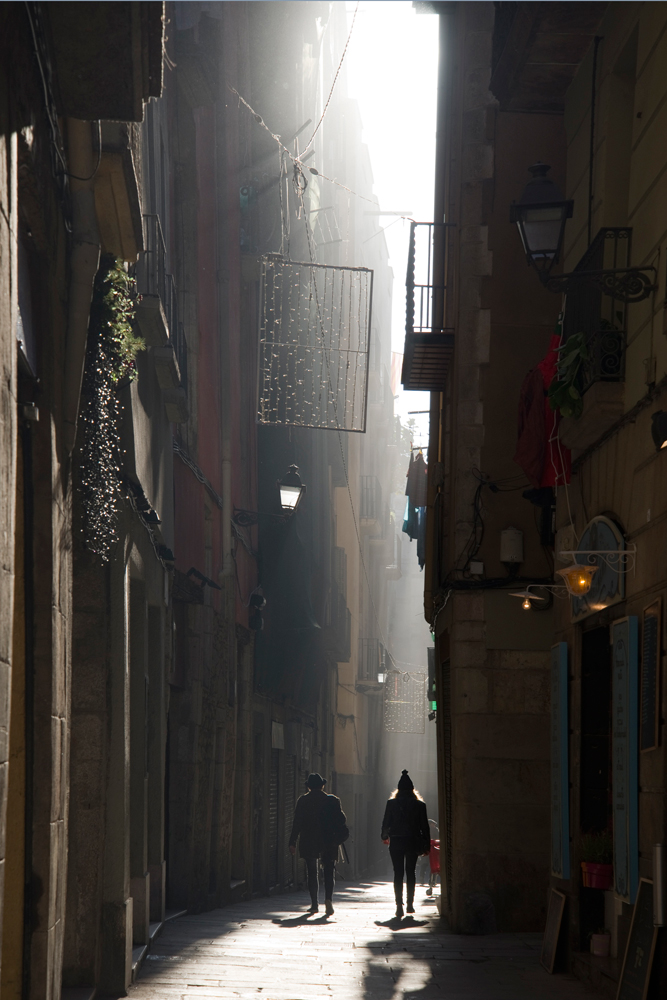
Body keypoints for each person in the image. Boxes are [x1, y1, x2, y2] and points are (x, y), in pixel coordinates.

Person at [289, 772, 347, 917]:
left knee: (312, 872)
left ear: (308, 787)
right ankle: (328, 900)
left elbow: (297, 822)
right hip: (329, 840)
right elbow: (341, 819)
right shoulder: (333, 800)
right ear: (322, 786)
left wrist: (292, 841)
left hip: (309, 839)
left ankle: (314, 904)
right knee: (329, 871)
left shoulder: (303, 800)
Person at [381, 769, 431, 918]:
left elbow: (386, 823)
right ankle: (410, 904)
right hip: (413, 841)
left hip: (396, 840)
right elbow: (424, 827)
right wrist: (426, 845)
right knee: (411, 871)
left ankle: (398, 906)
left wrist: (384, 836)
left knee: (398, 872)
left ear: (398, 789)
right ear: (412, 789)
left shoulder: (391, 804)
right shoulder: (420, 805)